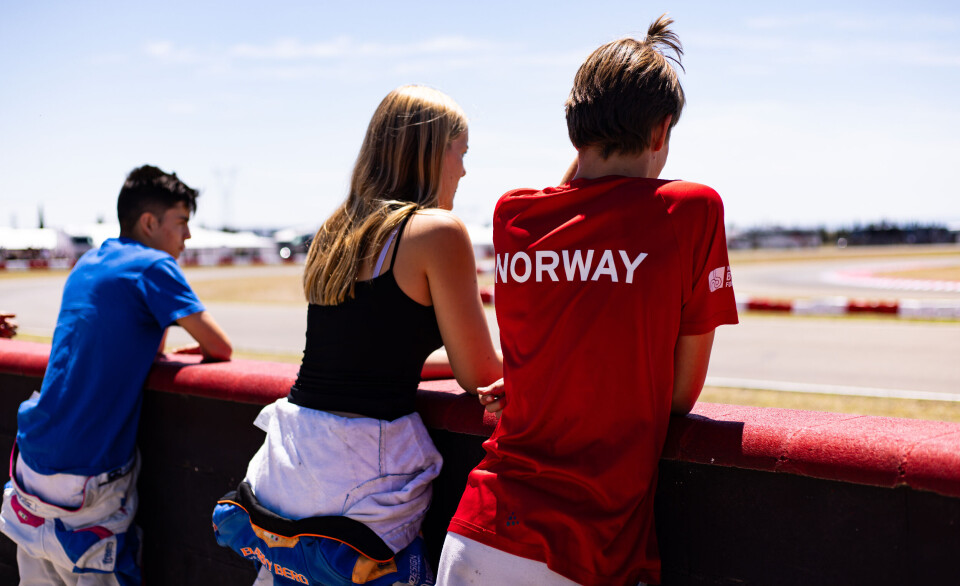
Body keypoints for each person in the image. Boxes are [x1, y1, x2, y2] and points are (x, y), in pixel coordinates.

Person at [437, 15, 739, 586]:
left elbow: (577, 209)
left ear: (573, 132)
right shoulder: (692, 209)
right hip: (584, 551)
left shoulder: (513, 214)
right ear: (662, 133)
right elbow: (677, 396)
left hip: (476, 531)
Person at [212, 85, 502, 586]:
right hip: (362, 479)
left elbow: (363, 358)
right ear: (432, 153)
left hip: (289, 460)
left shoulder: (335, 231)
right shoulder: (437, 231)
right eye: (462, 153)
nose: (464, 171)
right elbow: (482, 375)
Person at [0, 165, 232, 585]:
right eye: (181, 222)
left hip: (31, 461)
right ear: (149, 222)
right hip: (86, 475)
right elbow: (220, 347)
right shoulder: (154, 266)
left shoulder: (90, 261)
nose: (188, 237)